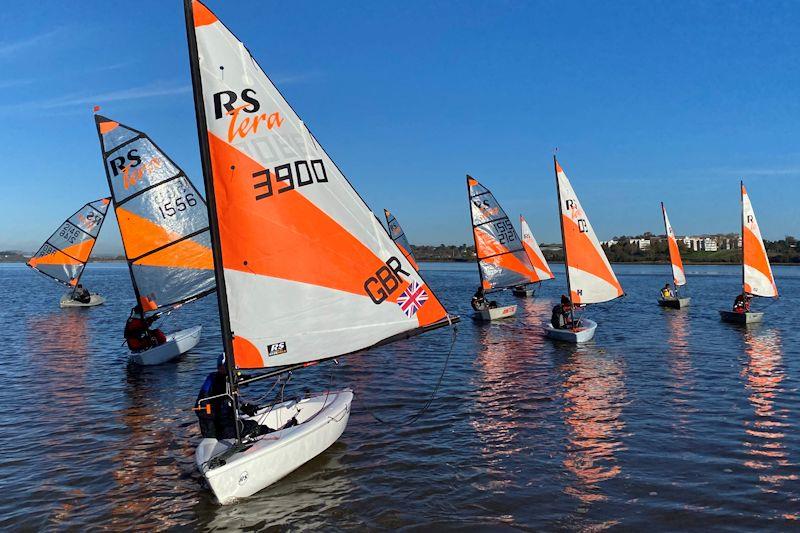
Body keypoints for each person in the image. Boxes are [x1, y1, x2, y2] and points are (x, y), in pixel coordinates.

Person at [195, 355, 295, 440]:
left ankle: (272, 435)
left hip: (217, 428)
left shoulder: (214, 378)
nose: (233, 369)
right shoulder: (220, 383)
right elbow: (219, 405)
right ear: (222, 367)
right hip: (221, 430)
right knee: (254, 426)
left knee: (249, 424)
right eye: (229, 366)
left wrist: (243, 407)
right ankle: (281, 437)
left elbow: (227, 401)